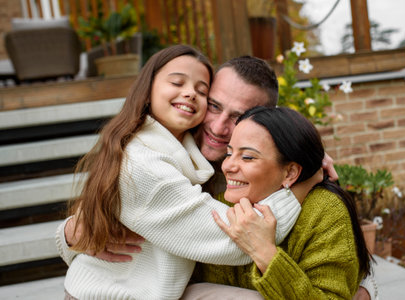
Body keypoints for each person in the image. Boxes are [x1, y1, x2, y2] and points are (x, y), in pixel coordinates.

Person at [57, 54, 376, 299]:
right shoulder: (161, 154)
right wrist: (74, 233)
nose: (220, 126)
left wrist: (365, 287)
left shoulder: (267, 167)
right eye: (213, 105)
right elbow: (87, 229)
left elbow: (341, 248)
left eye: (238, 116)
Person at [185, 106, 372, 299]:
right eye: (229, 153)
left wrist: (266, 254)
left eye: (247, 157)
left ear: (290, 173)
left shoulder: (325, 209)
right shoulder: (221, 204)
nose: (228, 166)